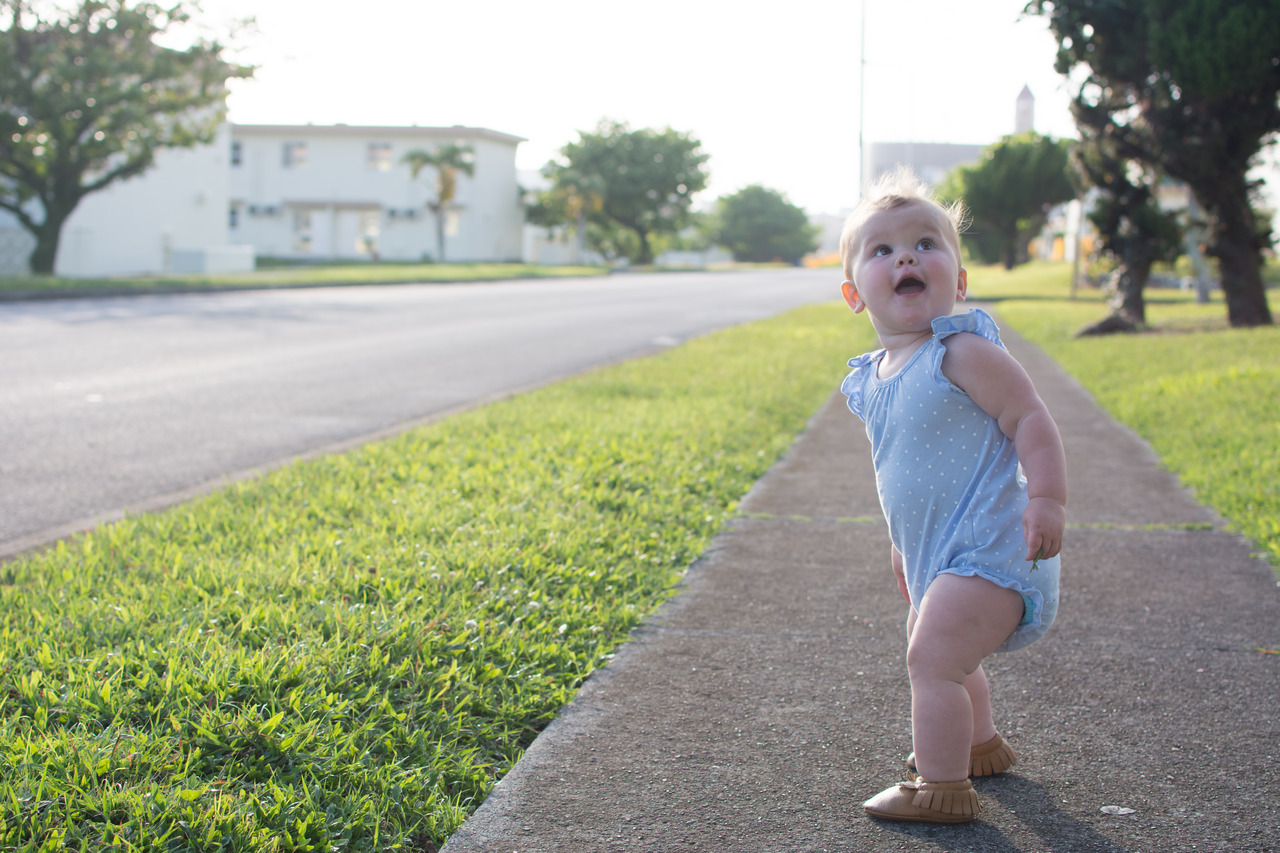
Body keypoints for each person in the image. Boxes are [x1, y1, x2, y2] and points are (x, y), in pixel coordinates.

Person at [838, 168, 1066, 824]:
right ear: (854, 293)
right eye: (882, 250)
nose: (905, 258)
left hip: (997, 545)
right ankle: (978, 744)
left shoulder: (960, 353)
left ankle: (939, 787)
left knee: (932, 656)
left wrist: (1047, 498)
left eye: (925, 244)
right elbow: (901, 473)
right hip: (938, 554)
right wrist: (901, 548)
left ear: (959, 282)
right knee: (940, 646)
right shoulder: (874, 378)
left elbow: (1029, 418)